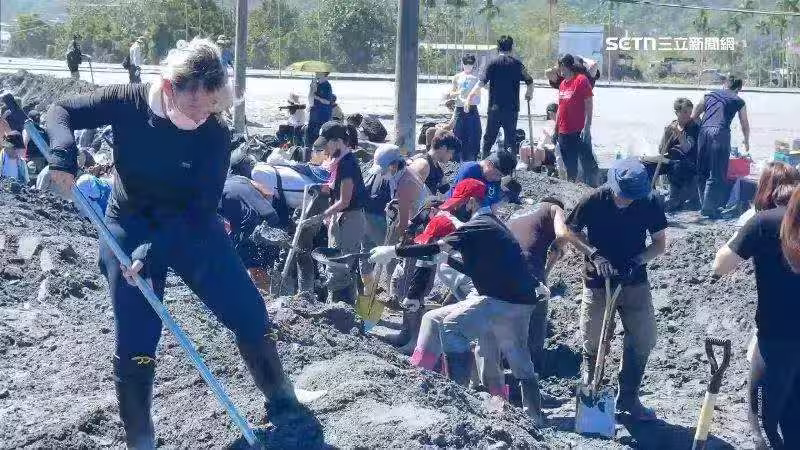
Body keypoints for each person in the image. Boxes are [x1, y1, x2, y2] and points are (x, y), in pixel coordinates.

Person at [44, 38, 302, 447]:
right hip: (129, 223)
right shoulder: (128, 101)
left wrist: (153, 252)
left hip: (190, 225)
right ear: (168, 88)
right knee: (137, 339)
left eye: (211, 107)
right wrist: (62, 154)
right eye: (194, 106)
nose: (202, 116)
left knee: (249, 311)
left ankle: (284, 402)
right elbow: (61, 111)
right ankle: (141, 440)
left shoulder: (214, 133)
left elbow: (199, 211)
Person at [369, 178, 548, 424]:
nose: (454, 209)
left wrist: (392, 251)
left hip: (506, 301)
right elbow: (482, 269)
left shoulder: (479, 225)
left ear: (472, 202)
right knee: (436, 319)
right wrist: (449, 260)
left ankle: (459, 401)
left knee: (454, 327)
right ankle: (418, 381)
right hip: (511, 299)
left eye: (458, 204)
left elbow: (435, 247)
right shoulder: (490, 226)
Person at [564, 158, 667, 422]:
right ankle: (591, 387)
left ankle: (629, 397)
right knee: (593, 337)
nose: (627, 201)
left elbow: (659, 244)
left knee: (644, 337)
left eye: (632, 197)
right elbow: (570, 231)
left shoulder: (650, 201)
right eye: (623, 195)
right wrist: (594, 254)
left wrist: (638, 260)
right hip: (598, 281)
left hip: (634, 280)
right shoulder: (594, 200)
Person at [713, 186, 800, 449]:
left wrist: (744, 237)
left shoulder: (764, 223)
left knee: (765, 423)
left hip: (776, 341)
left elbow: (721, 265)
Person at [303, 121, 367, 303]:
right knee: (334, 263)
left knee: (340, 265)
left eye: (327, 145)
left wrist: (321, 216)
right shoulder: (337, 163)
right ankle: (337, 305)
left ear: (338, 142)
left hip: (350, 219)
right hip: (339, 218)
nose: (325, 150)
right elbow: (334, 190)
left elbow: (345, 200)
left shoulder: (348, 164)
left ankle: (341, 309)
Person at [504, 197, 568, 368]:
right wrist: (545, 273)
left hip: (500, 267)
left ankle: (504, 361)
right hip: (527, 265)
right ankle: (534, 365)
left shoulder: (517, 213)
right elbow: (563, 236)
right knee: (537, 314)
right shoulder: (555, 209)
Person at [692, 74, 750, 218]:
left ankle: (703, 204)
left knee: (702, 170)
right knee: (717, 172)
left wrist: (704, 127)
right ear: (739, 88)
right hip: (720, 134)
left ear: (725, 84)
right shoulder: (738, 100)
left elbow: (694, 115)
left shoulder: (709, 95)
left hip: (704, 132)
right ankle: (708, 208)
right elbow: (744, 123)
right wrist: (746, 140)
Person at [466, 35, 533, 158]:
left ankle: (484, 161)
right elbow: (529, 80)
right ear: (511, 48)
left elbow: (481, 82)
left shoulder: (492, 64)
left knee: (489, 139)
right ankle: (511, 165)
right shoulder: (517, 64)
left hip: (495, 109)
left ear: (498, 48)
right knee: (510, 140)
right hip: (512, 109)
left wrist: (470, 95)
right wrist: (529, 93)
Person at [219, 175, 281, 292]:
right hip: (269, 216)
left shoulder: (217, 191)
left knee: (249, 257)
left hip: (248, 222)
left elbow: (224, 225)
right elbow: (268, 192)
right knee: (267, 255)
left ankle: (264, 290)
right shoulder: (242, 180)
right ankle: (270, 285)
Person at [555, 54, 598, 186]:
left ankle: (594, 187)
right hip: (563, 132)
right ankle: (572, 188)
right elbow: (560, 108)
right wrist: (555, 129)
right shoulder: (562, 84)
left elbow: (589, 104)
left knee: (588, 163)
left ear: (565, 66)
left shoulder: (581, 80)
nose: (558, 69)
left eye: (560, 66)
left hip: (578, 130)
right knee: (570, 165)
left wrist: (587, 127)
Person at [658, 97, 701, 212]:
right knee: (647, 164)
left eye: (690, 112)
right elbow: (661, 150)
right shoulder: (672, 126)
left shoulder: (693, 127)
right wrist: (666, 135)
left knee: (676, 166)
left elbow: (687, 148)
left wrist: (678, 133)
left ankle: (676, 200)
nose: (688, 115)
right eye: (685, 112)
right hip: (671, 161)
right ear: (677, 112)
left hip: (689, 164)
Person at [450, 149, 516, 212]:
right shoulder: (470, 170)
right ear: (489, 164)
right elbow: (457, 201)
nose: (498, 178)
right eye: (497, 174)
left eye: (501, 176)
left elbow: (494, 203)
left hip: (483, 213)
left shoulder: (495, 180)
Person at [451, 54, 481, 162]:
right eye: (466, 63)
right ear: (462, 64)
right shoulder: (457, 77)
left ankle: (471, 161)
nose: (468, 66)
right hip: (459, 108)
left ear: (473, 64)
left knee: (473, 136)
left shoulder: (477, 77)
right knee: (458, 135)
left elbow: (479, 92)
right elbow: (452, 92)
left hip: (472, 108)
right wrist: (457, 93)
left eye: (470, 63)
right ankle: (456, 161)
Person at [520, 103, 559, 174]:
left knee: (537, 151)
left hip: (550, 150)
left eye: (552, 114)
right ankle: (524, 167)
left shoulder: (556, 124)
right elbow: (542, 138)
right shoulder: (549, 123)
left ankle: (536, 169)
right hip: (543, 147)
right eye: (549, 114)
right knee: (524, 148)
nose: (551, 116)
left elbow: (553, 137)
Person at [305, 72, 335, 161]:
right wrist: (312, 88)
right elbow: (310, 100)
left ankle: (320, 158)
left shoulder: (327, 86)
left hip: (323, 115)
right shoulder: (316, 84)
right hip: (314, 114)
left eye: (318, 72)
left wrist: (317, 97)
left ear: (324, 74)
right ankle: (309, 157)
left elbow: (327, 101)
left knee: (320, 137)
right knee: (310, 136)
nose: (316, 74)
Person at [22, 110, 49, 177]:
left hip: (32, 160)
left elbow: (25, 143)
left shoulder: (28, 129)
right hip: (44, 159)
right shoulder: (43, 130)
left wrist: (22, 158)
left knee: (31, 179)